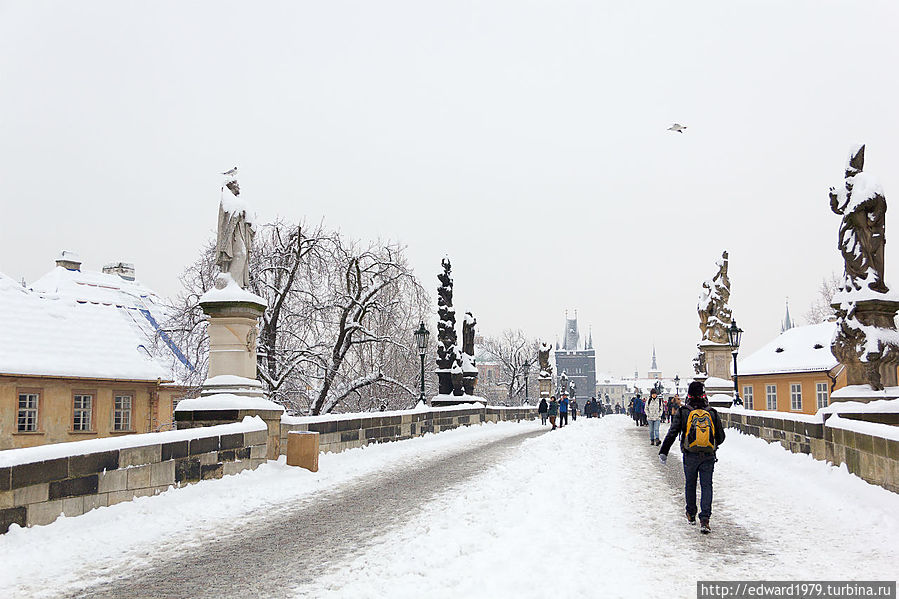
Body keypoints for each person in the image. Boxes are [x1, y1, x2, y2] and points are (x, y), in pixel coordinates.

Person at [659, 381, 726, 534]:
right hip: (708, 455)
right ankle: (705, 518)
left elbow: (672, 433)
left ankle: (691, 514)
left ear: (688, 395)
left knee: (690, 484)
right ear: (704, 394)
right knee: (706, 485)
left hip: (690, 455)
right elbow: (721, 437)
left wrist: (664, 452)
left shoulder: (684, 411)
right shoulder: (712, 412)